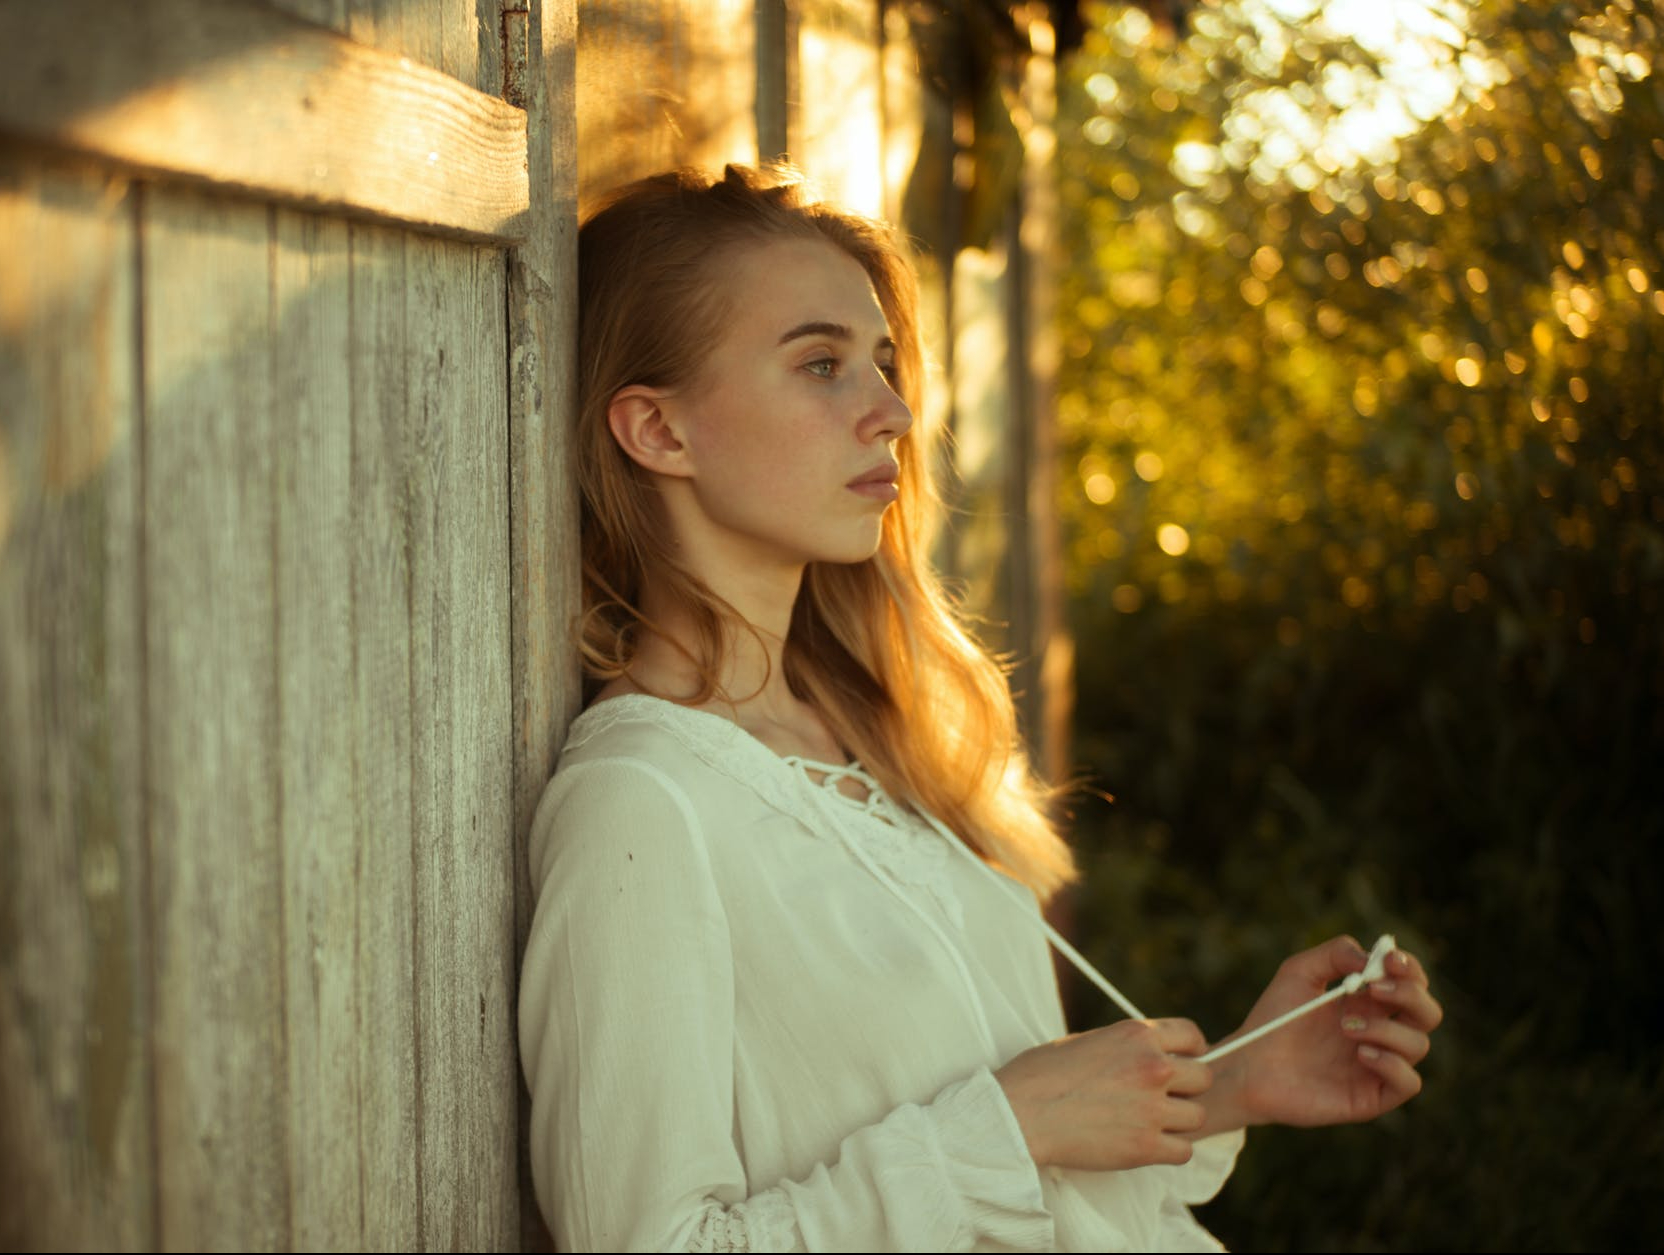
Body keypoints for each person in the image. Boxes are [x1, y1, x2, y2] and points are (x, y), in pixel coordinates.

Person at [518, 164, 1443, 1252]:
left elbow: (1027, 1189)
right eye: (819, 364)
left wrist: (1226, 1083)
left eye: (881, 364)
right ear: (656, 431)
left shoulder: (873, 746)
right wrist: (1016, 1122)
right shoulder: (641, 802)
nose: (891, 414)